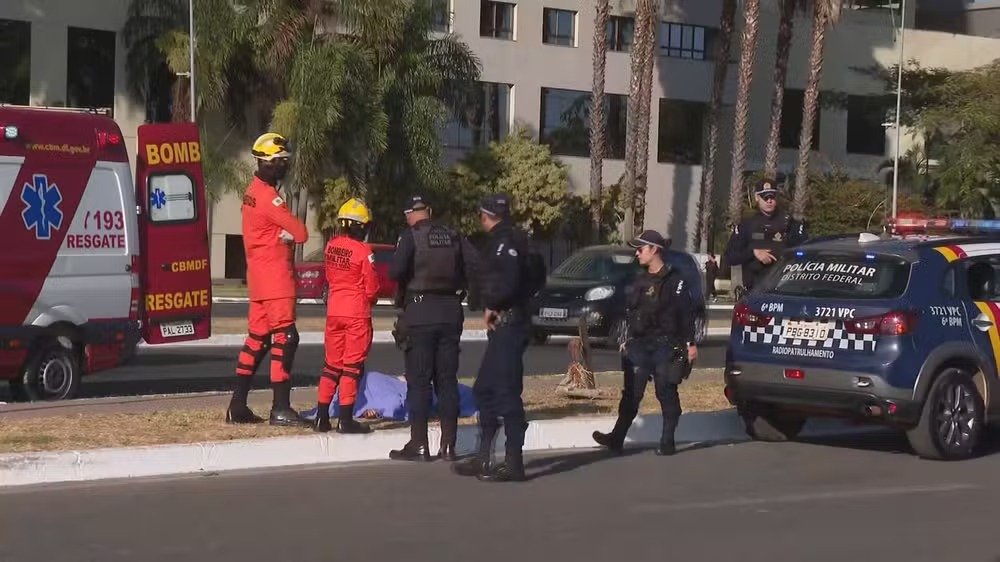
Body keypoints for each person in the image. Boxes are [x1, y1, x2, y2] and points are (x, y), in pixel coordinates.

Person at [453, 193, 544, 483]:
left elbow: (508, 281)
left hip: (511, 322)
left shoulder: (506, 243)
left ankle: (513, 462)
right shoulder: (514, 239)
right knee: (484, 390)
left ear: (485, 215)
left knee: (505, 393)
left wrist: (493, 303)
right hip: (506, 322)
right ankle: (483, 457)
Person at [226, 132, 309, 427]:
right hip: (276, 278)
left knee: (257, 340)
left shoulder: (251, 190)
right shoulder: (270, 198)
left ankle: (237, 405)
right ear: (269, 162)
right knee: (286, 337)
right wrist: (288, 235)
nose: (285, 166)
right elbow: (300, 232)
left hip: (259, 280)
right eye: (282, 161)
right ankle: (281, 407)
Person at [388, 194, 479, 462]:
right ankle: (449, 446)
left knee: (419, 381)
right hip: (451, 312)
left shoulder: (409, 237)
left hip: (420, 313)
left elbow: (395, 272)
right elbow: (474, 265)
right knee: (447, 380)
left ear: (409, 214)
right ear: (429, 210)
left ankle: (419, 444)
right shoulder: (453, 235)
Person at [592, 230, 698, 456]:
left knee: (665, 392)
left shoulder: (675, 281)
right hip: (640, 344)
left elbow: (686, 315)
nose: (637, 253)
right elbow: (629, 312)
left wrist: (690, 344)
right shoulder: (639, 280)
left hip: (666, 345)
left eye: (641, 249)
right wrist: (625, 339)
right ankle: (616, 438)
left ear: (655, 250)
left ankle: (667, 440)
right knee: (631, 393)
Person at [312, 198, 380, 434]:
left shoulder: (331, 246)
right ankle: (345, 419)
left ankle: (321, 416)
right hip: (356, 313)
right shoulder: (363, 251)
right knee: (351, 367)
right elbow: (371, 288)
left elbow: (330, 277)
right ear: (360, 226)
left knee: (331, 365)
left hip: (334, 310)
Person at [723, 179, 808, 292]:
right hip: (754, 288)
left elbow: (805, 251)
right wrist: (753, 253)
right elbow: (730, 257)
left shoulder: (790, 224)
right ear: (757, 198)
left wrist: (786, 256)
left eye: (772, 197)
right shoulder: (747, 225)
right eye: (765, 197)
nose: (769, 201)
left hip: (784, 288)